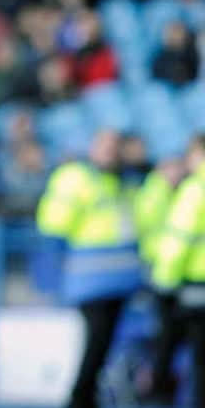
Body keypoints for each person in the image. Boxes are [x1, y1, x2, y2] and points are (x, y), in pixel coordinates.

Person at [36, 129, 141, 408]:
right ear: (92, 147)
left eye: (116, 145)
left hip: (120, 282)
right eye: (106, 145)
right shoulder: (77, 179)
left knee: (103, 345)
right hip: (91, 282)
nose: (111, 151)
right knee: (96, 344)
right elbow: (53, 225)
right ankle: (79, 398)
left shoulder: (122, 182)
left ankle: (86, 396)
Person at [153, 135, 205, 408]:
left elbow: (178, 241)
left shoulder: (195, 189)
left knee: (194, 359)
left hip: (194, 289)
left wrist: (164, 282)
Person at [134, 155, 185, 404]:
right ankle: (156, 391)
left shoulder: (176, 193)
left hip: (173, 275)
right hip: (158, 275)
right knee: (162, 337)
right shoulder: (154, 195)